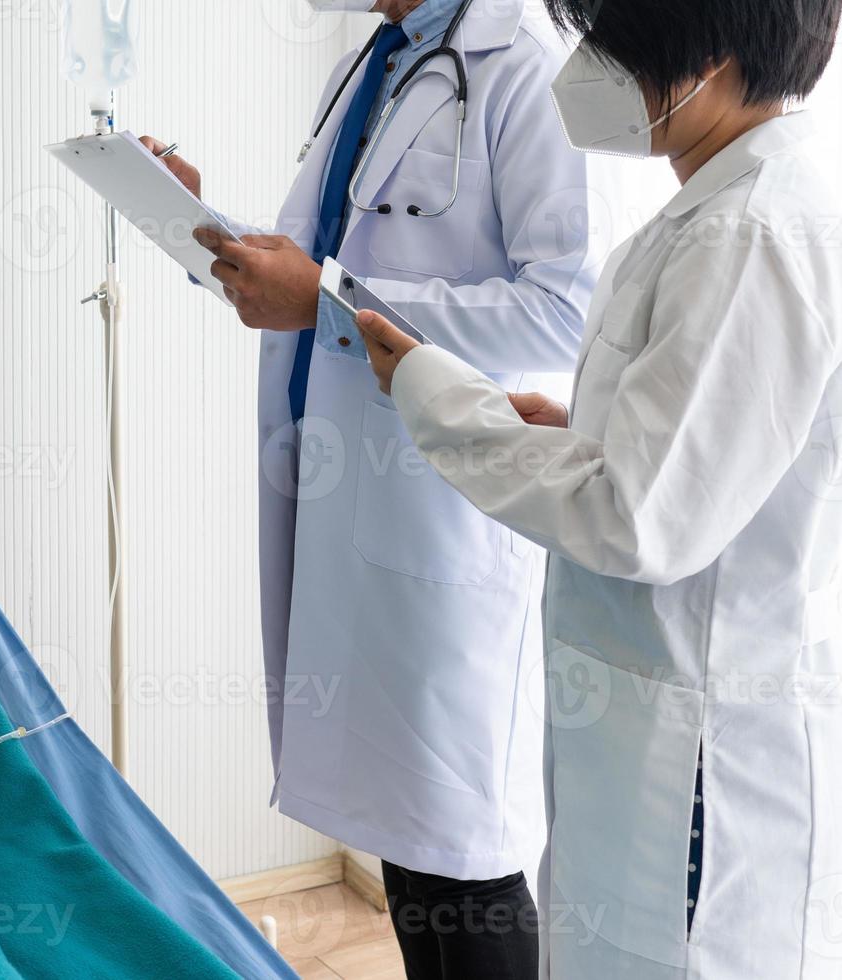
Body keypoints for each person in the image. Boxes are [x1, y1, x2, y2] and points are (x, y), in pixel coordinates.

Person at [351, 0, 842, 974]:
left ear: (705, 52)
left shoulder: (749, 233)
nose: (591, 63)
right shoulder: (709, 212)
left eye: (616, 37)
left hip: (703, 763)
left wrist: (437, 391)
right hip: (645, 727)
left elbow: (638, 514)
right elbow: (710, 452)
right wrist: (585, 431)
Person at [143, 0, 609, 973]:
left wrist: (327, 299)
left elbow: (565, 309)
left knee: (459, 856)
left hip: (442, 507)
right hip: (351, 494)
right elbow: (329, 260)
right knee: (406, 836)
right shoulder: (382, 58)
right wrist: (208, 232)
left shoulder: (521, 59)